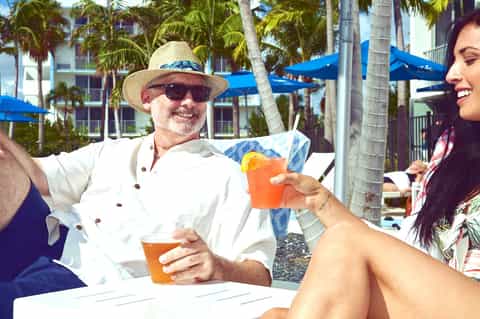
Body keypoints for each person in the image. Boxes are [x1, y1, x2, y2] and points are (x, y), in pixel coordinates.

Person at [0, 41, 275, 317]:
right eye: (175, 90)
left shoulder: (226, 175)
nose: (189, 102)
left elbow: (260, 275)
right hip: (54, 242)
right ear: (147, 98)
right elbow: (36, 176)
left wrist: (217, 266)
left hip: (100, 283)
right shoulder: (113, 151)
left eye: (200, 93)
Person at [260, 9, 480, 319]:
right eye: (454, 61)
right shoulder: (452, 147)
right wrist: (320, 202)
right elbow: (406, 252)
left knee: (343, 246)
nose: (451, 75)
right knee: (276, 315)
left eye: (470, 60)